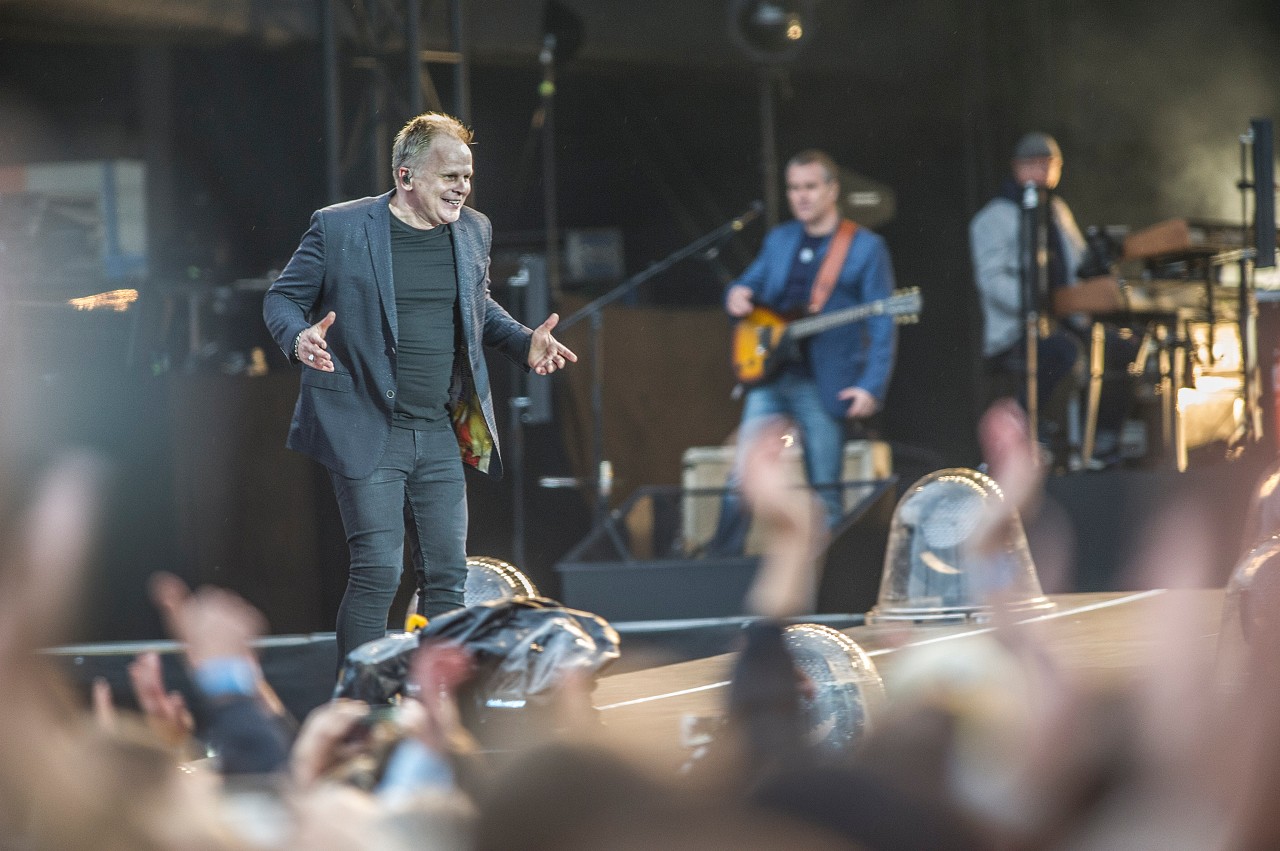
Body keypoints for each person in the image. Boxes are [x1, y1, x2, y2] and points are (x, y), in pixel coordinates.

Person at [264, 112, 576, 662]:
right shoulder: (340, 228)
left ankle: (436, 705)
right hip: (364, 423)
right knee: (379, 571)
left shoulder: (473, 229)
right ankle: (362, 704)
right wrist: (298, 338)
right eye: (449, 176)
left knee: (447, 576)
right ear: (406, 176)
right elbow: (281, 298)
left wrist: (524, 341)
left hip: (439, 429)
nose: (462, 187)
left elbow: (476, 307)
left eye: (467, 176)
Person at [705, 149, 897, 557]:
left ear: (832, 189)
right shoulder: (780, 239)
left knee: (824, 484)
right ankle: (719, 570)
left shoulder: (864, 247)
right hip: (771, 375)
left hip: (824, 379)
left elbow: (883, 320)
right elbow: (748, 285)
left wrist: (870, 385)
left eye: (810, 187)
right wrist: (735, 295)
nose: (801, 196)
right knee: (741, 477)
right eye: (794, 188)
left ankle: (821, 579)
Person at [969, 131, 1132, 464]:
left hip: (1064, 320)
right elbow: (992, 280)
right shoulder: (993, 218)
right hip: (1015, 331)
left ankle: (1102, 439)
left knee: (1121, 346)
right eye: (1033, 164)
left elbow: (1076, 262)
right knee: (1061, 352)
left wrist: (1095, 280)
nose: (1041, 171)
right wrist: (1035, 301)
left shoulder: (1057, 210)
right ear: (1017, 168)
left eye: (1048, 164)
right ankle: (1024, 429)